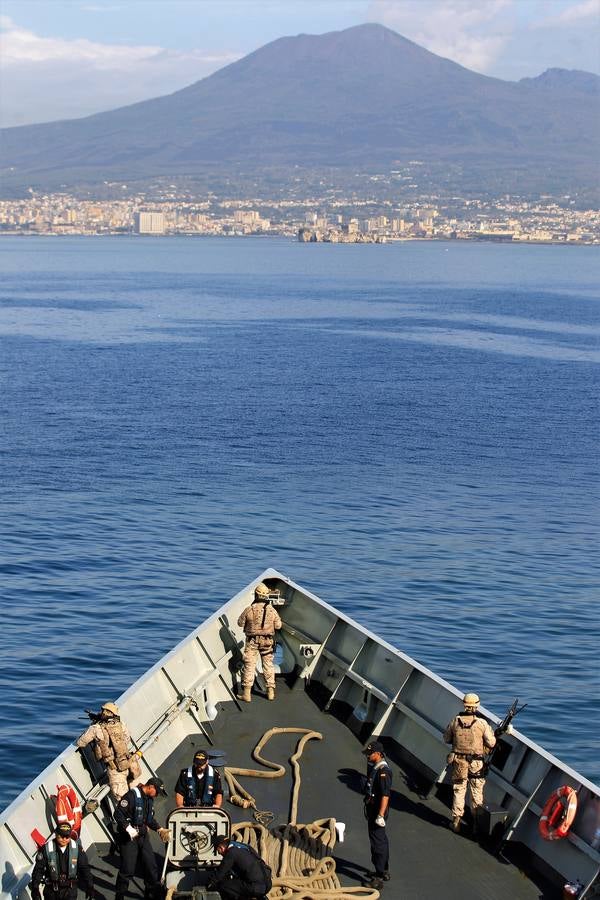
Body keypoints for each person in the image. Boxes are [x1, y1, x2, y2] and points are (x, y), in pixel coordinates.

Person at [443, 692, 499, 833]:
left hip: (459, 761)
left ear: (464, 704)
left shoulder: (455, 721)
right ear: (477, 706)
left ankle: (456, 822)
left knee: (459, 790)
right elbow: (492, 743)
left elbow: (446, 738)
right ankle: (475, 825)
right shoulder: (481, 723)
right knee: (476, 792)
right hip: (476, 763)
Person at [113, 777, 170, 900]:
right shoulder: (131, 797)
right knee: (127, 868)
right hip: (129, 838)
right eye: (156, 792)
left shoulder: (149, 800)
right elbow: (118, 814)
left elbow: (148, 819)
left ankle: (149, 894)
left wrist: (159, 829)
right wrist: (128, 828)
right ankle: (120, 895)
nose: (156, 796)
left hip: (142, 836)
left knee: (151, 866)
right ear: (151, 787)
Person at [76, 701, 142, 801]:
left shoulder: (96, 728)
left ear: (104, 712)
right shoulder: (121, 724)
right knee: (138, 795)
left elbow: (80, 743)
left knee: (122, 800)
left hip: (115, 768)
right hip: (129, 763)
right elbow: (127, 739)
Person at [237, 582, 282, 702]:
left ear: (256, 595)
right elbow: (278, 626)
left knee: (249, 666)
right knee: (268, 665)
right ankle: (271, 692)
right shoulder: (272, 610)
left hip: (252, 642)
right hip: (267, 642)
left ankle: (247, 694)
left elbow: (240, 623)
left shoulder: (249, 609)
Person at [30, 822, 94, 900]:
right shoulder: (46, 849)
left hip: (70, 891)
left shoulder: (77, 849)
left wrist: (90, 886)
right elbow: (38, 869)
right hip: (51, 891)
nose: (64, 839)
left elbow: (85, 868)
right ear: (56, 834)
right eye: (61, 836)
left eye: (67, 836)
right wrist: (35, 888)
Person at [362, 740, 392, 890]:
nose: (368, 756)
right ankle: (384, 870)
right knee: (382, 840)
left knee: (377, 843)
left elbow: (385, 795)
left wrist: (380, 815)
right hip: (374, 809)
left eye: (370, 754)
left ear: (378, 754)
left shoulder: (383, 772)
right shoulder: (376, 767)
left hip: (377, 811)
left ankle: (378, 877)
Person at [207, 838, 272, 900]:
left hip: (256, 887)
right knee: (238, 884)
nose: (220, 854)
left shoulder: (231, 852)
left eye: (219, 852)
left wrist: (210, 884)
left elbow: (220, 873)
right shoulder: (245, 847)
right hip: (267, 884)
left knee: (223, 885)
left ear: (221, 847)